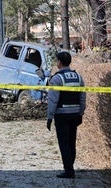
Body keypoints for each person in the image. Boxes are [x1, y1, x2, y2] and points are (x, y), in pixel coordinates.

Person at [47, 51, 86, 179]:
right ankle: (70, 166)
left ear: (59, 62)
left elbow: (53, 100)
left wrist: (49, 117)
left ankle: (68, 170)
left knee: (63, 143)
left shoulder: (57, 78)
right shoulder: (78, 77)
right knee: (71, 142)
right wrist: (81, 113)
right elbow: (82, 97)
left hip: (62, 115)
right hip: (75, 114)